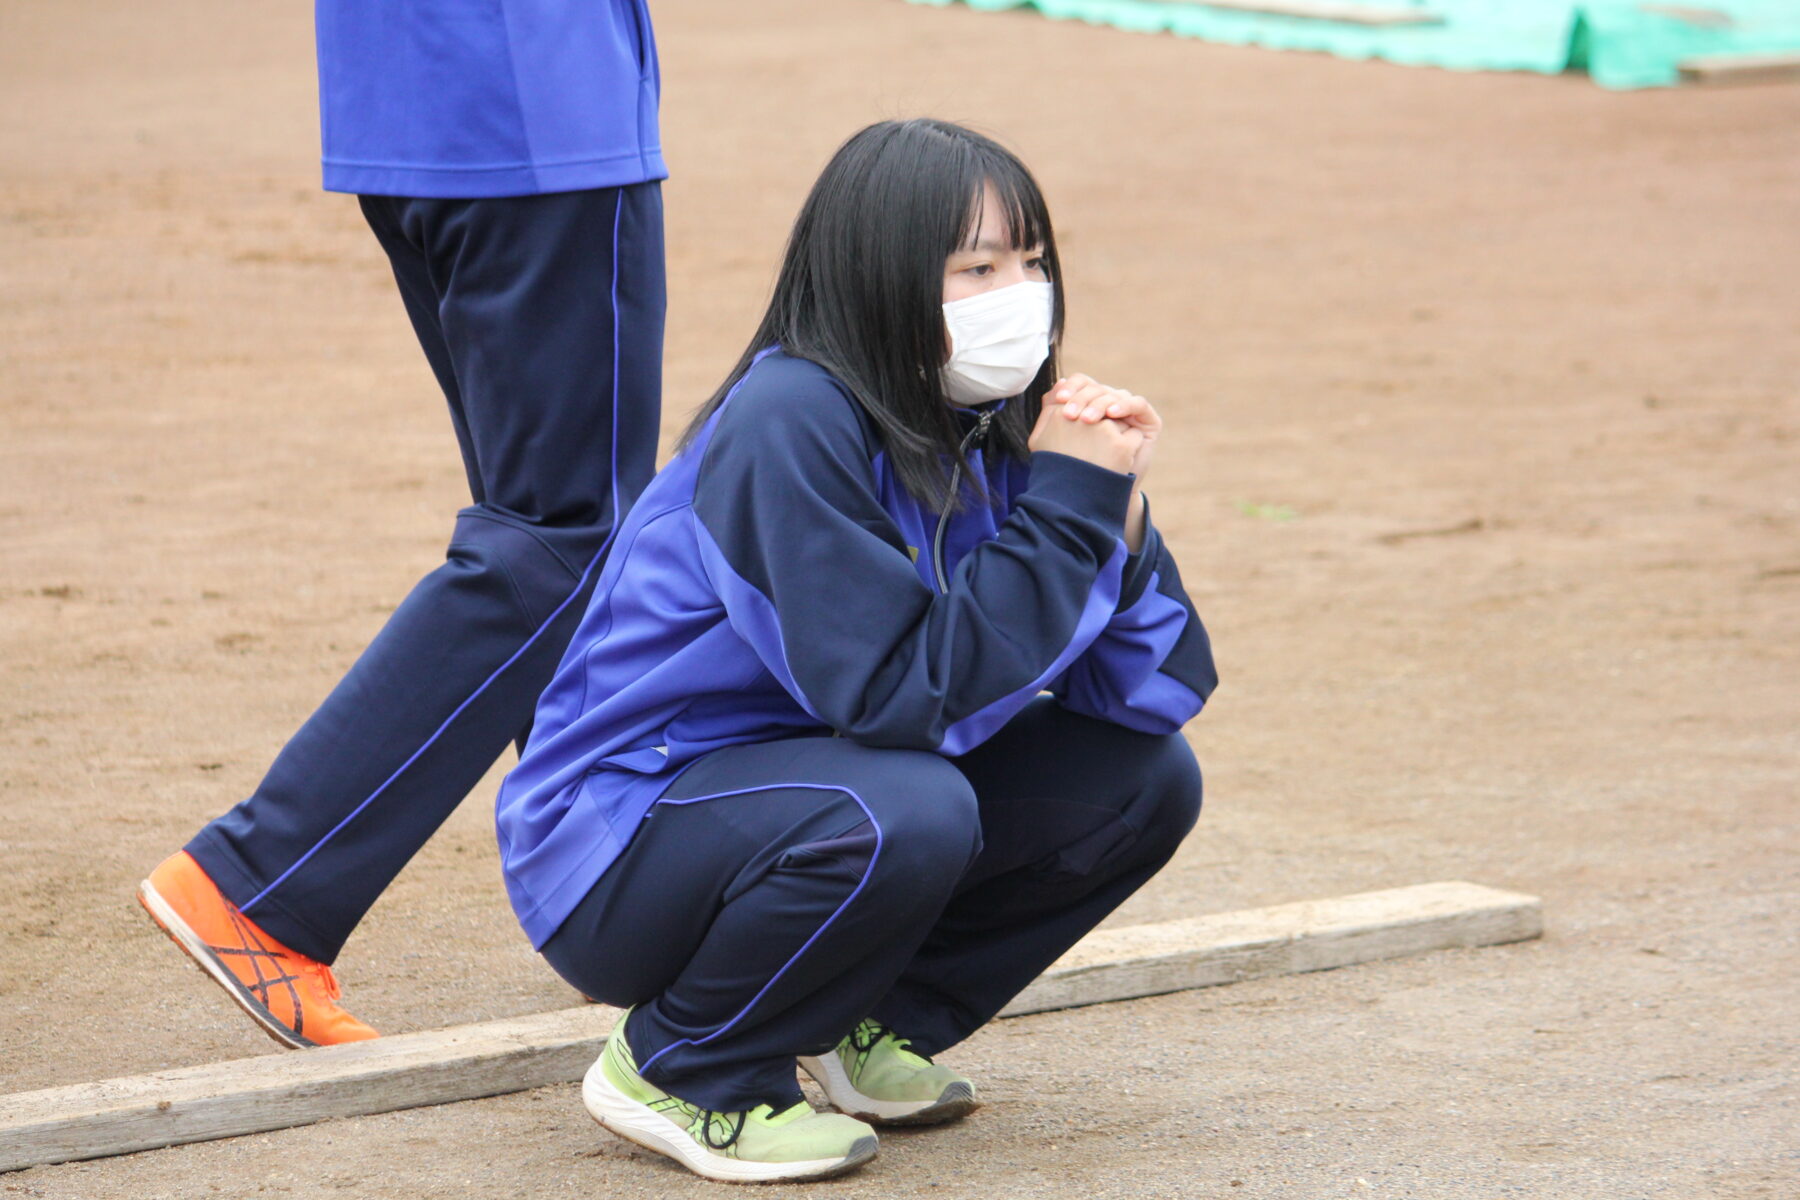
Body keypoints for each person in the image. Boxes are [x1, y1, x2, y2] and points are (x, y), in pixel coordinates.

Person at [494, 118, 1218, 1184]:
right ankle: (682, 1068)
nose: (1020, 292)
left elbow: (1152, 695)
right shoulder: (790, 419)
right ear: (880, 278)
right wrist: (1067, 512)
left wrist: (1118, 518)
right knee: (910, 803)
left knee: (1143, 784)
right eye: (977, 267)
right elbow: (892, 697)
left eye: (1033, 261)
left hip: (807, 796)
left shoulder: (990, 425)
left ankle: (859, 1022)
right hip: (617, 843)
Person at [135, 0, 668, 1046]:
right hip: (539, 112)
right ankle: (259, 883)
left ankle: (624, 892)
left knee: (555, 532)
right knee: (565, 537)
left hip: (416, 105)